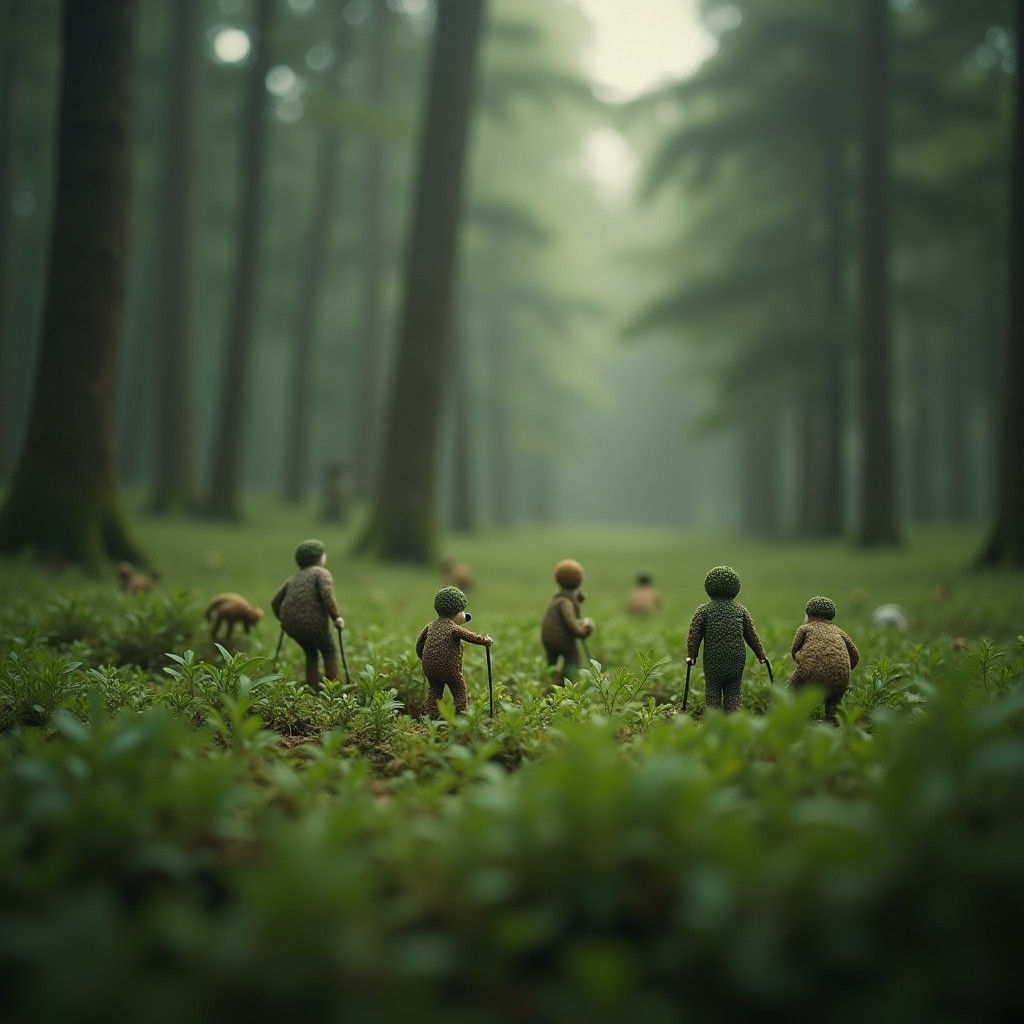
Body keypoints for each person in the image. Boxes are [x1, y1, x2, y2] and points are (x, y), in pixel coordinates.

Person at [686, 565, 766, 713]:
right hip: (736, 658)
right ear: (735, 587)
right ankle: (733, 717)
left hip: (713, 660)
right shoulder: (741, 610)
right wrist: (761, 655)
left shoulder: (704, 610)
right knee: (734, 690)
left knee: (712, 690)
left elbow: (694, 634)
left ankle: (714, 720)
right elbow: (751, 635)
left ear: (709, 586)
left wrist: (692, 655)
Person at [271, 539, 345, 690]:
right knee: (329, 650)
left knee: (311, 652)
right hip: (314, 623)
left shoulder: (293, 578)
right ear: (319, 558)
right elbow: (327, 596)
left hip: (291, 626)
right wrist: (336, 617)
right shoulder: (321, 573)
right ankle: (332, 686)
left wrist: (284, 619)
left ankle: (312, 685)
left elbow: (274, 602)